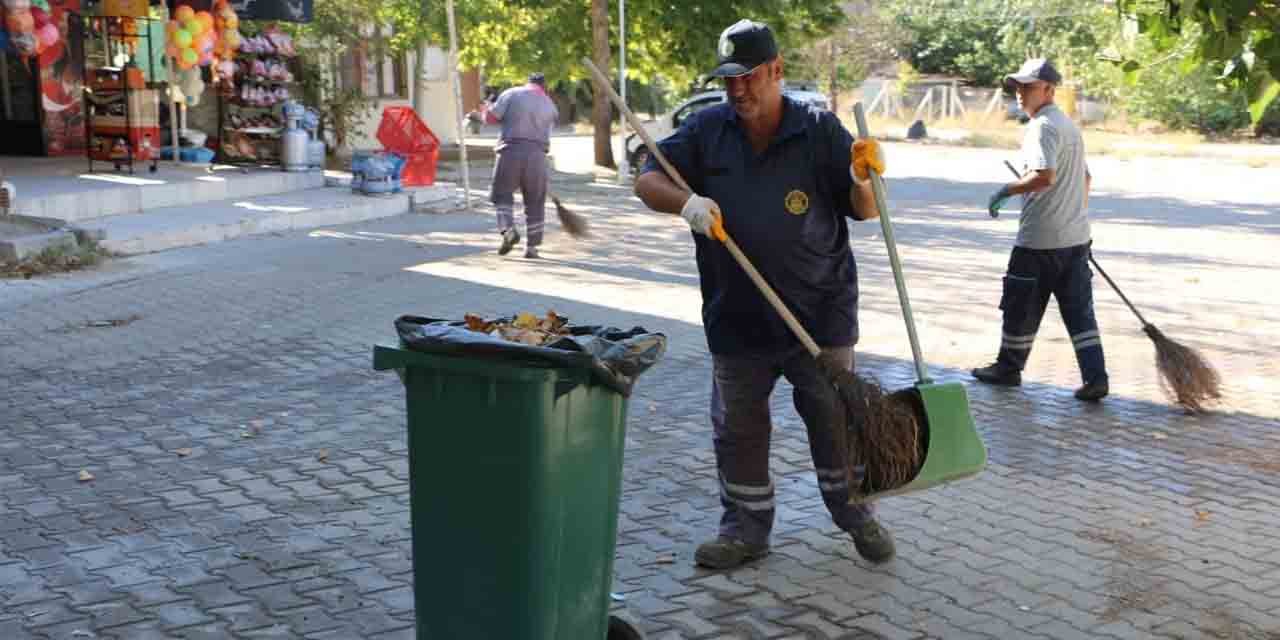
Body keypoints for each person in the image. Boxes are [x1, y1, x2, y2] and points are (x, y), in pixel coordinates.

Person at [633, 19, 896, 570]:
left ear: (776, 71)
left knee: (834, 421)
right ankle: (745, 531)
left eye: (748, 77)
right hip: (738, 317)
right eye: (728, 79)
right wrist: (686, 205)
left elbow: (865, 210)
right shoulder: (707, 130)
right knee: (739, 429)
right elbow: (647, 178)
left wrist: (864, 178)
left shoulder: (820, 130)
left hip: (818, 317)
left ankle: (856, 515)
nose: (737, 90)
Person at [974, 58, 1109, 401]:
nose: (1020, 93)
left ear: (1049, 90)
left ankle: (1007, 369)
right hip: (1075, 239)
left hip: (1039, 241)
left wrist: (1005, 191)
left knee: (1021, 305)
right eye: (1018, 87)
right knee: (1079, 313)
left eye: (1028, 87)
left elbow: (1043, 176)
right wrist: (1074, 215)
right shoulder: (1067, 126)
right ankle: (1096, 378)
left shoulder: (1041, 127)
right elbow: (1086, 179)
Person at [481, 72, 559, 259]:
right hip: (538, 157)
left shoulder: (512, 94)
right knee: (535, 202)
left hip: (511, 152)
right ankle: (532, 248)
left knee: (502, 194)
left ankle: (508, 229)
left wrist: (486, 109)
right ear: (544, 86)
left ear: (528, 82)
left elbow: (491, 118)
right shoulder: (550, 105)